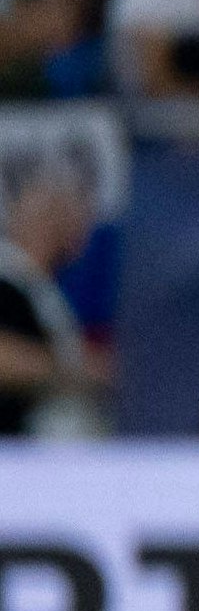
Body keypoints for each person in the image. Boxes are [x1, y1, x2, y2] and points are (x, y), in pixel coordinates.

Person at [0, 164, 105, 436]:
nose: (85, 228)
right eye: (76, 214)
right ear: (46, 218)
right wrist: (79, 370)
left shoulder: (39, 285)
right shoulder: (7, 278)